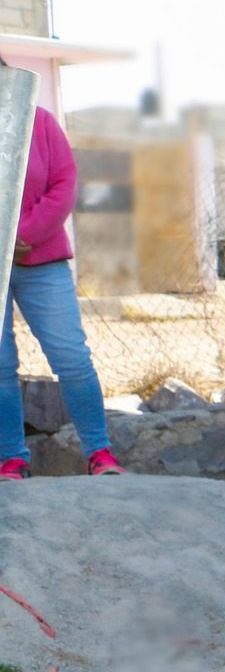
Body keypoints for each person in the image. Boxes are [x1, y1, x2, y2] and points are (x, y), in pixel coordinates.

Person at [0, 73, 124, 481]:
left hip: (42, 262)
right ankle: (12, 460)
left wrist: (23, 234)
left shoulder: (40, 122)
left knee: (72, 360)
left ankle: (99, 453)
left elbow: (63, 184)